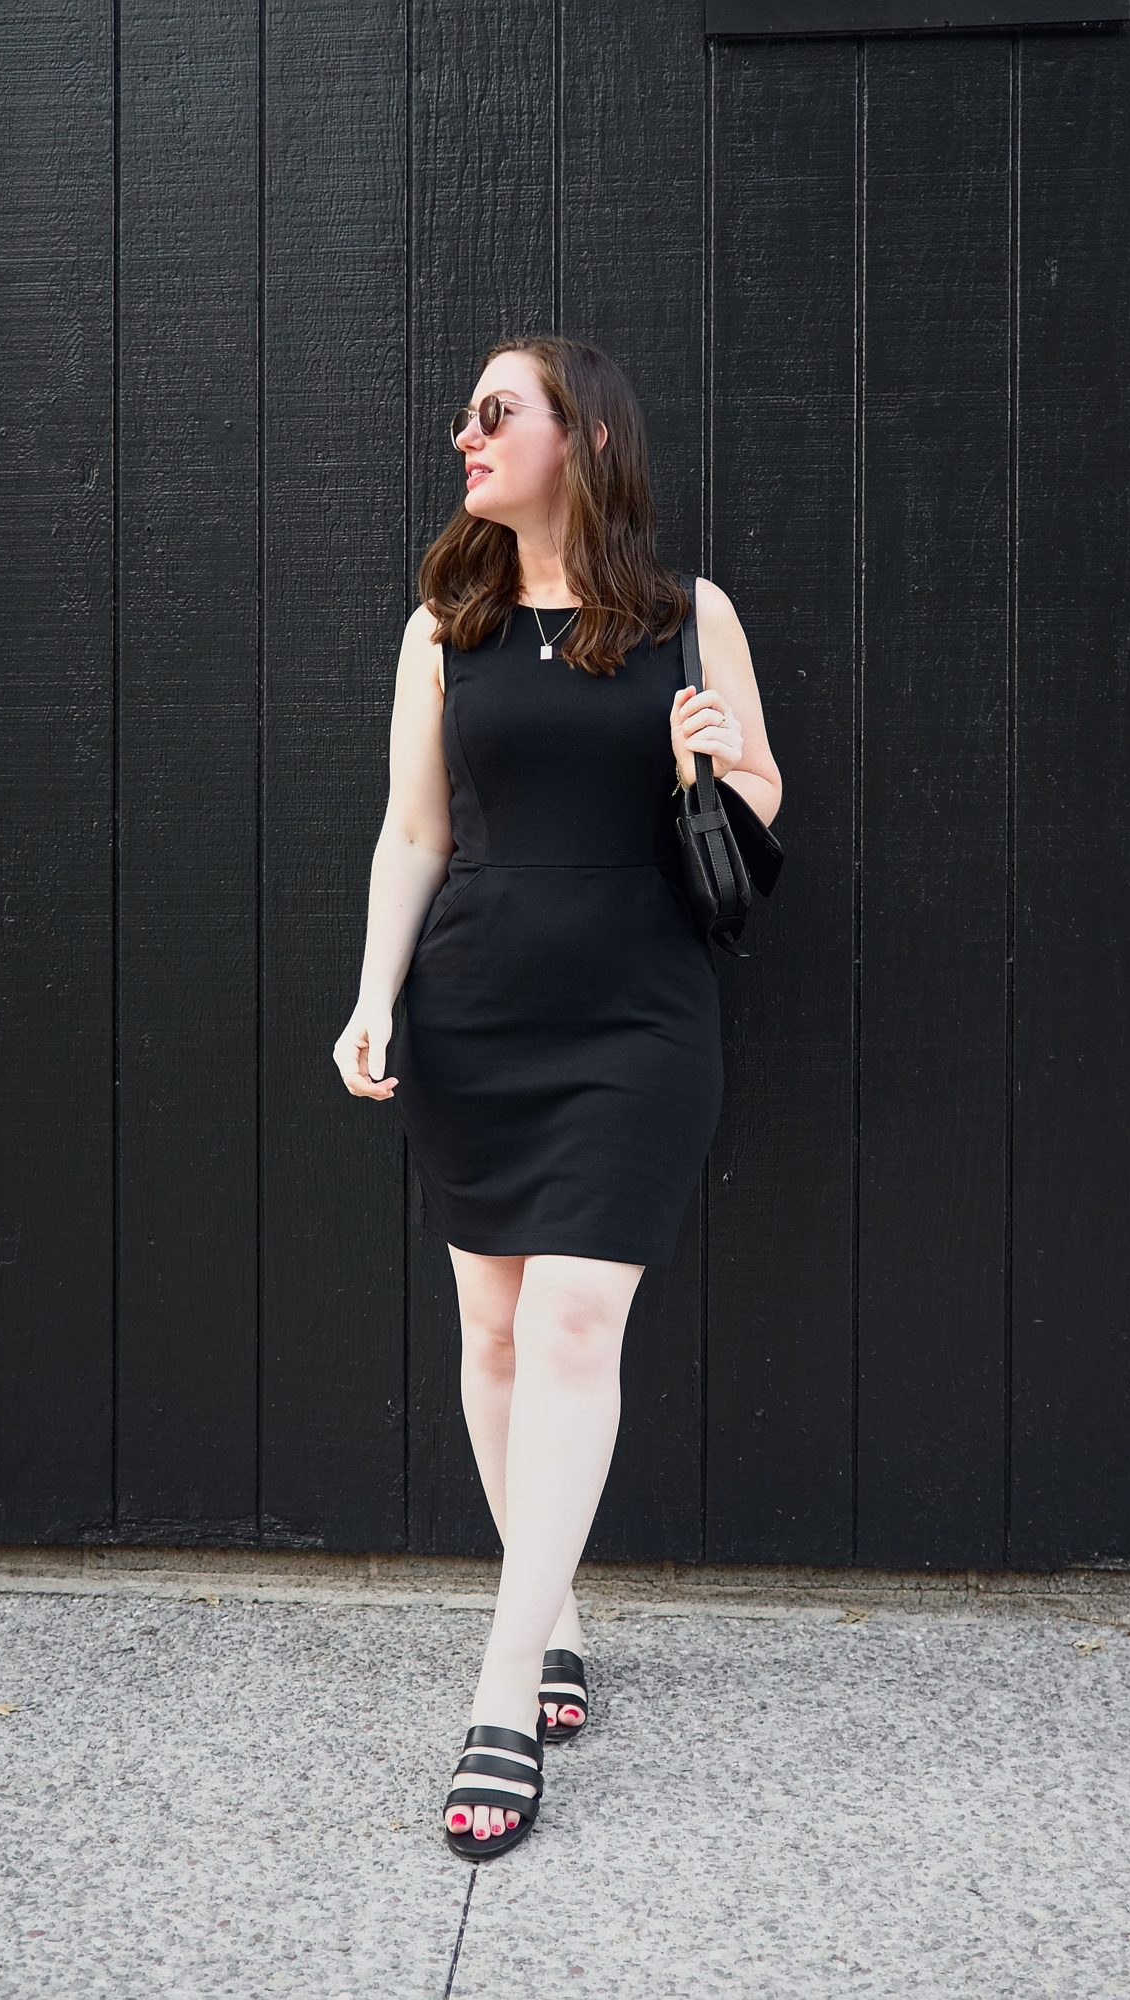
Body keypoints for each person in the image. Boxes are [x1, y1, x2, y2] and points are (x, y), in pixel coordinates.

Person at [332, 334, 782, 1859]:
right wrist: (375, 993)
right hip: (478, 1009)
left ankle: (505, 1688)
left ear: (583, 437)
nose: (465, 435)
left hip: (638, 1018)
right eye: (463, 413)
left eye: (494, 412)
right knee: (494, 1328)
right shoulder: (441, 625)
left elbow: (762, 810)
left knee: (576, 1320)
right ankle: (560, 1606)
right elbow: (413, 834)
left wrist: (713, 764)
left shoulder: (684, 616)